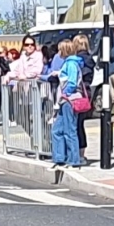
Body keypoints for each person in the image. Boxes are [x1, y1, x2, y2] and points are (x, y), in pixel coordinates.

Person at [50, 40, 86, 174]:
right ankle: (59, 159)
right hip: (64, 101)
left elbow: (71, 82)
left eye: (60, 49)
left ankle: (74, 160)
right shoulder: (70, 63)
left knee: (70, 130)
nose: (58, 52)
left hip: (68, 100)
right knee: (57, 130)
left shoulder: (71, 64)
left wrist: (65, 94)